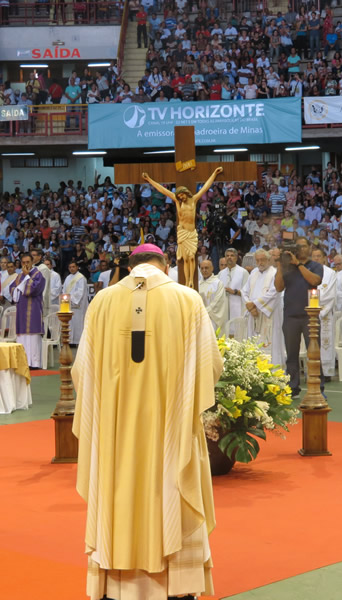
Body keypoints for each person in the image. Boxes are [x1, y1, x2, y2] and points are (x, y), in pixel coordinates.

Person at [72, 243, 222, 600]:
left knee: (116, 490)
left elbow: (82, 373)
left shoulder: (103, 302)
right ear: (166, 263)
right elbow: (210, 368)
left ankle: (117, 584)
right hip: (170, 432)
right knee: (171, 485)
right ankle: (175, 586)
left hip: (116, 433)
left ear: (129, 265)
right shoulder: (186, 299)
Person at [142, 167, 224, 289]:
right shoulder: (177, 201)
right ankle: (188, 281)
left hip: (191, 233)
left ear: (186, 193)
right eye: (179, 196)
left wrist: (214, 173)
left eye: (182, 195)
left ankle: (191, 279)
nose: (181, 197)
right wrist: (149, 179)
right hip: (183, 233)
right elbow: (163, 190)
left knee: (192, 258)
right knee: (186, 259)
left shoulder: (194, 200)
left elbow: (206, 187)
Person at [274, 237, 323, 396]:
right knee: (291, 355)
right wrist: (281, 265)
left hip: (310, 317)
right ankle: (292, 387)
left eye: (302, 246)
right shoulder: (287, 267)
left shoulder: (315, 266)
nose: (300, 249)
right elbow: (279, 287)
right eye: (297, 247)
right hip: (290, 316)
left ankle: (318, 389)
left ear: (309, 248)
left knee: (314, 354)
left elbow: (315, 281)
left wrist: (299, 265)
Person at [11, 253, 46, 369]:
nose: (25, 265)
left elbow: (33, 289)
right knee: (23, 337)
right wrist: (17, 288)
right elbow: (12, 289)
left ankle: (35, 363)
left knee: (33, 337)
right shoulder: (19, 276)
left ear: (32, 262)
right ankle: (23, 361)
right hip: (21, 310)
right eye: (23, 263)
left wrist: (27, 277)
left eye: (28, 262)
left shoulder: (38, 275)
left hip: (34, 310)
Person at [242, 249, 278, 350]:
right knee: (252, 343)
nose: (260, 263)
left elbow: (273, 292)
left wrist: (255, 305)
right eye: (257, 260)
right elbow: (244, 291)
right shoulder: (253, 273)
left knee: (265, 345)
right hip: (252, 313)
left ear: (268, 259)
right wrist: (250, 306)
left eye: (262, 260)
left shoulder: (274, 273)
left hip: (265, 314)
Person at [310, 247, 337, 380]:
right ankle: (311, 370)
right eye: (314, 256)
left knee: (326, 343)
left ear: (324, 258)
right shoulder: (307, 270)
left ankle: (326, 372)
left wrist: (316, 310)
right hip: (309, 313)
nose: (316, 259)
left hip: (324, 313)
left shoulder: (330, 273)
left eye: (318, 256)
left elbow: (329, 294)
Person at [218, 247, 248, 321]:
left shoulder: (243, 272)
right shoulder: (221, 273)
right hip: (224, 307)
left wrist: (234, 292)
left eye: (232, 255)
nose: (229, 257)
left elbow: (247, 292)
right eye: (227, 256)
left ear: (236, 258)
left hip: (238, 307)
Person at [62, 259, 88, 344]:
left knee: (78, 322)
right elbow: (64, 290)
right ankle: (70, 341)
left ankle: (77, 341)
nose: (72, 269)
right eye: (70, 267)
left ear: (77, 267)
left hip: (78, 305)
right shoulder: (67, 278)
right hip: (68, 304)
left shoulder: (81, 278)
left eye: (73, 267)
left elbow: (80, 292)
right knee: (70, 322)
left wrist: (71, 298)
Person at [198, 258, 228, 332]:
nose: (204, 270)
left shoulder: (217, 283)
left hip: (212, 319)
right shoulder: (198, 284)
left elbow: (218, 302)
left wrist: (205, 311)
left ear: (212, 268)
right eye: (202, 268)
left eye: (206, 268)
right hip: (199, 317)